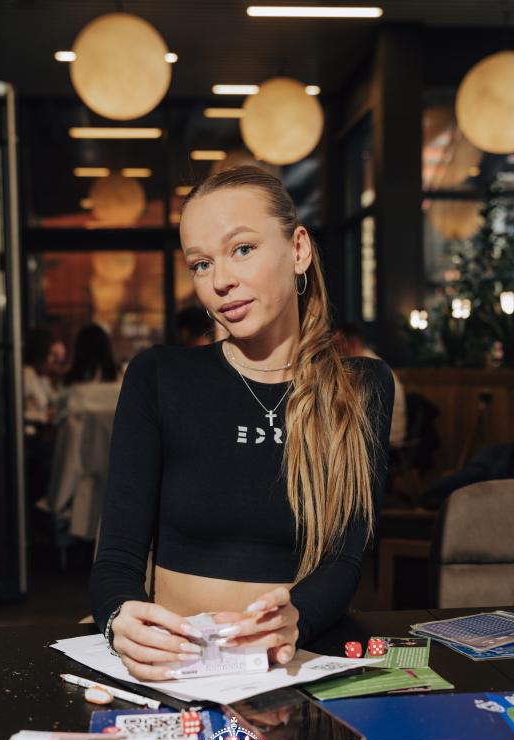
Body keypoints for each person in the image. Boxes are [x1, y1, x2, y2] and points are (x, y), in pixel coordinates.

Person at [89, 165, 394, 682]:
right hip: (174, 669)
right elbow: (116, 556)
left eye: (243, 249)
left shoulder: (361, 388)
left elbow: (344, 562)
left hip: (295, 664)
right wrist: (119, 618)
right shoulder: (159, 377)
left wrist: (297, 619)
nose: (220, 281)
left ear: (298, 250)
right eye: (201, 264)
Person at [335, 323, 406, 449]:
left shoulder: (368, 367)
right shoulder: (371, 362)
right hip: (386, 436)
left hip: (389, 443)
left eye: (338, 344)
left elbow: (355, 413)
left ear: (352, 343)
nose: (335, 350)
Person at [23, 327, 57, 424]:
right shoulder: (26, 375)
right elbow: (17, 412)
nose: (52, 359)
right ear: (40, 352)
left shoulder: (42, 376)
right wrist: (44, 417)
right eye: (50, 353)